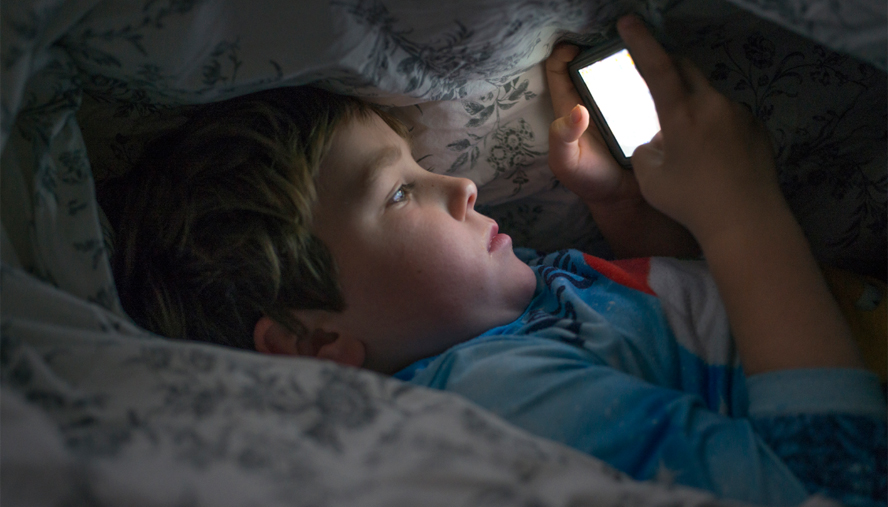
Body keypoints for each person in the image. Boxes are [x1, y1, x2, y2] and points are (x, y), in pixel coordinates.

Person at [103, 15, 886, 507]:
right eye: (401, 193)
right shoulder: (502, 390)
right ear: (311, 343)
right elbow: (829, 484)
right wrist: (743, 212)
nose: (464, 183)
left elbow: (690, 344)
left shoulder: (507, 310)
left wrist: (628, 215)